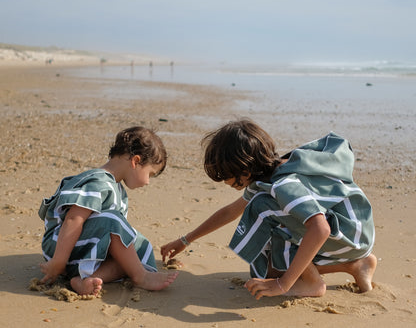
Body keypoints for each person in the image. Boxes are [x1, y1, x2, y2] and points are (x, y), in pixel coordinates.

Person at [161, 119, 376, 299]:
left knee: (263, 209)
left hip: (348, 233)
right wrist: (185, 240)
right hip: (352, 231)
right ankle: (355, 266)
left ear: (243, 169)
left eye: (225, 174)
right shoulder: (269, 173)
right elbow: (230, 211)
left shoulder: (282, 186)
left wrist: (283, 284)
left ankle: (312, 284)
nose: (224, 181)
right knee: (269, 267)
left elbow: (320, 229)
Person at [39, 126, 178, 296]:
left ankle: (86, 280)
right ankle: (140, 277)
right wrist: (58, 261)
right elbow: (73, 219)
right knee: (114, 222)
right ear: (135, 161)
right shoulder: (99, 182)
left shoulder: (117, 189)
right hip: (61, 246)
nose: (148, 181)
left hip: (83, 249)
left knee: (138, 247)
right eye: (150, 173)